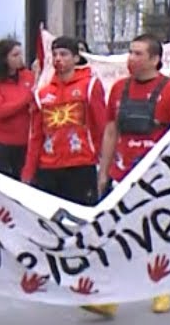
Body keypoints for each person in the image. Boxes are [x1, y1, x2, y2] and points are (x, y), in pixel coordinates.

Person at [96, 34, 170, 317]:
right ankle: (109, 297)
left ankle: (161, 287)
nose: (131, 59)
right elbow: (111, 131)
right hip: (121, 174)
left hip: (158, 178)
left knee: (157, 233)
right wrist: (104, 171)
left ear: (155, 59)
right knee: (114, 235)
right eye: (130, 52)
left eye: (138, 54)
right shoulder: (117, 89)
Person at [23, 36, 107, 204]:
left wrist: (104, 167)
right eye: (54, 55)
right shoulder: (42, 93)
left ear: (76, 58)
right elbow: (36, 135)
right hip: (48, 167)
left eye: (63, 54)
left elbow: (102, 128)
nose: (58, 59)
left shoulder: (90, 86)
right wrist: (28, 172)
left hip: (81, 165)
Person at [0, 38, 34, 178]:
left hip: (24, 143)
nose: (20, 58)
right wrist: (25, 100)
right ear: (5, 59)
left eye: (20, 54)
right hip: (0, 144)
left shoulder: (28, 76)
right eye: (15, 55)